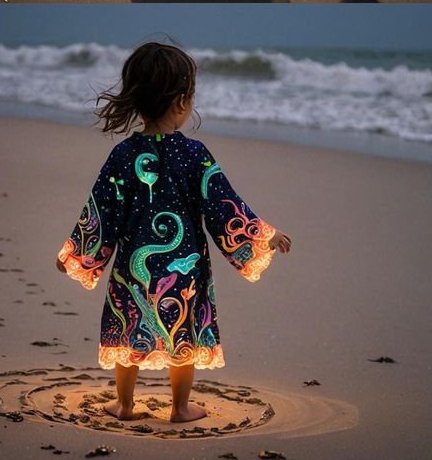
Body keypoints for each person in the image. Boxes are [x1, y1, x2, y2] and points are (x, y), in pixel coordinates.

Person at [56, 41, 292, 423]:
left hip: (132, 271)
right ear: (182, 102)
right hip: (185, 271)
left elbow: (102, 210)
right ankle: (180, 408)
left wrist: (76, 253)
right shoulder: (195, 154)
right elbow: (222, 205)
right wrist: (263, 234)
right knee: (185, 332)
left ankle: (125, 405)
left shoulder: (123, 155)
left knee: (128, 327)